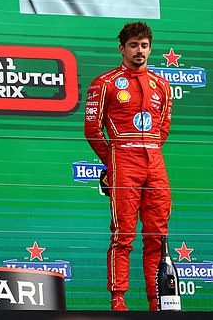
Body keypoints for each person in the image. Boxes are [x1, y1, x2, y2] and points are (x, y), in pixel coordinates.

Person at [84, 22, 173, 311]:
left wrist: (148, 149)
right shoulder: (105, 82)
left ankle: (157, 300)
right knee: (123, 234)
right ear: (122, 49)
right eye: (133, 45)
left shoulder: (162, 84)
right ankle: (118, 300)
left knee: (158, 234)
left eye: (144, 45)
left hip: (155, 161)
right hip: (123, 160)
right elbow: (92, 129)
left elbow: (163, 128)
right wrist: (113, 159)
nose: (139, 50)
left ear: (150, 48)